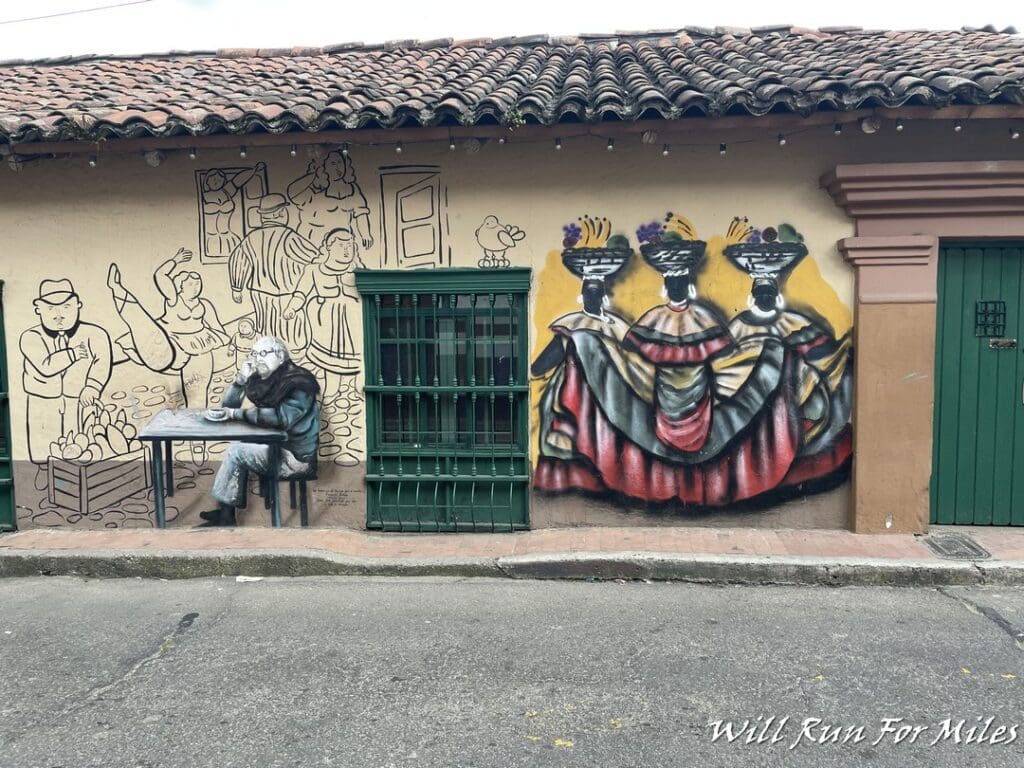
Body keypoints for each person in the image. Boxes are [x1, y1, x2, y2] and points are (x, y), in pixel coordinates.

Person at [200, 336, 321, 527]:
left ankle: (226, 516)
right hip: (277, 446)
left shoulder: (299, 382)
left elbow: (281, 418)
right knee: (239, 447)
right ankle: (226, 511)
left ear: (280, 356)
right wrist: (240, 381)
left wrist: (235, 414)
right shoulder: (264, 380)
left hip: (296, 458)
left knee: (235, 451)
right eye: (255, 354)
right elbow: (228, 406)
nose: (258, 359)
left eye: (264, 353)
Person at [106, 248, 229, 408]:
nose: (196, 286)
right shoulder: (174, 299)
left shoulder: (204, 304)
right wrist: (176, 260)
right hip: (173, 345)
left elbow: (216, 327)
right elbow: (160, 276)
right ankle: (117, 288)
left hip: (200, 345)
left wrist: (227, 346)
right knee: (137, 317)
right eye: (191, 283)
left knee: (198, 391)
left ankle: (197, 424)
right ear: (180, 287)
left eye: (198, 283)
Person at [20, 279, 112, 487]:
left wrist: (93, 386)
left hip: (77, 399)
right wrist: (71, 354)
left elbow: (102, 361)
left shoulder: (95, 334)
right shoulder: (30, 337)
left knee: (76, 439)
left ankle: (71, 481)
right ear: (38, 309)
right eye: (51, 307)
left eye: (66, 306)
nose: (59, 314)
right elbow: (45, 365)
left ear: (78, 305)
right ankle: (45, 473)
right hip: (43, 400)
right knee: (43, 438)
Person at [227, 193, 319, 356]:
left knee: (266, 324)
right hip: (287, 293)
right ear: (279, 213)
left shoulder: (251, 238)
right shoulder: (288, 237)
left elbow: (238, 260)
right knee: (289, 327)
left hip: (260, 293)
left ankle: (270, 353)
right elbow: (314, 257)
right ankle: (291, 355)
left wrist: (237, 287)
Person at [287, 150, 374, 249]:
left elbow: (361, 213)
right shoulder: (314, 192)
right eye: (332, 163)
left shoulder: (353, 190)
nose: (338, 167)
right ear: (324, 167)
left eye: (340, 162)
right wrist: (314, 174)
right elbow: (293, 193)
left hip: (340, 244)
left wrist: (366, 234)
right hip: (312, 244)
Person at [200, 164, 265, 257]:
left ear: (223, 182)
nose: (216, 182)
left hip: (228, 238)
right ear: (207, 181)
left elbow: (238, 180)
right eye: (213, 179)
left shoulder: (226, 192)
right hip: (210, 239)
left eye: (219, 180)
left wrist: (254, 170)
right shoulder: (202, 196)